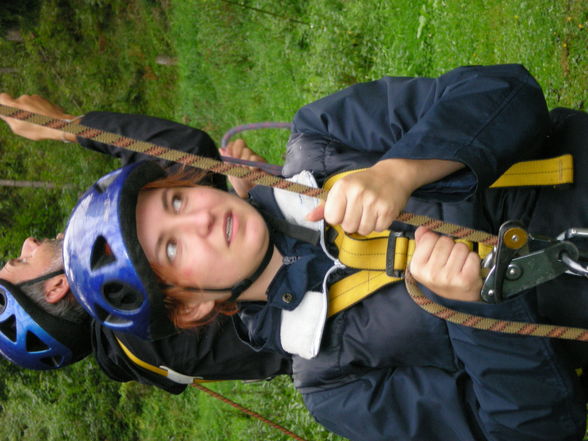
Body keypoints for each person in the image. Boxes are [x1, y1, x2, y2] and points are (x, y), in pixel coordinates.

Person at [63, 63, 588, 440]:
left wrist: (401, 170)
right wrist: (477, 312)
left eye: (176, 200)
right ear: (192, 305)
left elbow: (506, 90)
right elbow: (534, 428)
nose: (199, 218)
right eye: (171, 248)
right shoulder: (334, 384)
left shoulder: (321, 141)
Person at [0, 94, 291, 391]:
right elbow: (185, 152)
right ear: (55, 287)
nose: (28, 243)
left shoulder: (137, 336)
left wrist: (255, 202)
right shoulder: (149, 327)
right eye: (22, 261)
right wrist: (61, 127)